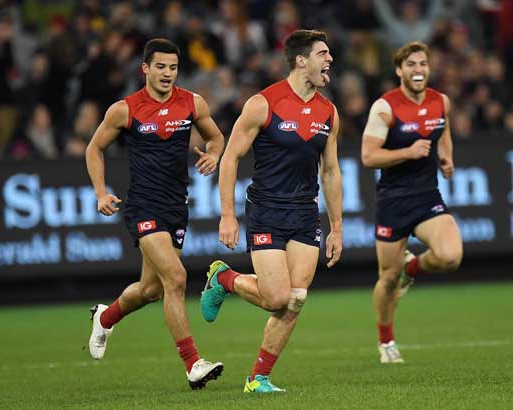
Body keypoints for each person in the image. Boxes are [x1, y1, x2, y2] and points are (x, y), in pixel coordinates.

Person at [200, 29, 343, 393]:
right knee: (277, 297)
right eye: (323, 54)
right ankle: (224, 279)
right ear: (300, 60)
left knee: (295, 299)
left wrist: (337, 227)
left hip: (304, 213)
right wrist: (227, 215)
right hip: (265, 210)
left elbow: (330, 170)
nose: (330, 60)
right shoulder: (263, 103)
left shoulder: (328, 111)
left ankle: (257, 378)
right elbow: (230, 157)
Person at [85, 38, 225, 390]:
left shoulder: (192, 103)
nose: (167, 73)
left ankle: (106, 316)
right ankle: (193, 364)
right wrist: (101, 192)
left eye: (173, 67)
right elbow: (94, 148)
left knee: (150, 289)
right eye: (160, 66)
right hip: (143, 206)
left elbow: (217, 137)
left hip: (177, 206)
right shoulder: (125, 109)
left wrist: (213, 154)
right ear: (145, 68)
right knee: (176, 279)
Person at [360, 41, 463, 364]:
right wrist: (407, 152)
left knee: (450, 256)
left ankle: (412, 266)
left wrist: (446, 157)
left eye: (422, 64)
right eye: (411, 65)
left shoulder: (440, 102)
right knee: (387, 279)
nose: (418, 70)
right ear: (399, 71)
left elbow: (442, 134)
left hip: (427, 195)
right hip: (393, 200)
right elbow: (368, 157)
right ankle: (386, 341)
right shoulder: (385, 108)